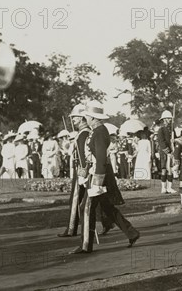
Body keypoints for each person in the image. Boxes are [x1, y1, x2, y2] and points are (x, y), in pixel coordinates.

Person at [71, 100, 140, 254]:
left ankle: (85, 245)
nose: (86, 118)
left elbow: (101, 157)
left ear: (94, 118)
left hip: (98, 176)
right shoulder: (96, 131)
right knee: (108, 208)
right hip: (94, 173)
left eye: (87, 116)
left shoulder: (100, 132)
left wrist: (97, 179)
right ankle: (132, 233)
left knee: (85, 208)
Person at [59, 104, 91, 238]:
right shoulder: (83, 133)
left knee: (75, 199)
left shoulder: (84, 134)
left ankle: (71, 229)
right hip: (82, 170)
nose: (73, 120)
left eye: (75, 118)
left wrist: (83, 170)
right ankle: (107, 222)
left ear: (82, 118)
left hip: (82, 172)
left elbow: (83, 155)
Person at [158, 110, 177, 194]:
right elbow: (161, 142)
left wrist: (175, 140)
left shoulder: (173, 130)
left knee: (170, 170)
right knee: (164, 169)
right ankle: (163, 187)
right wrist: (167, 151)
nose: (169, 120)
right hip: (164, 152)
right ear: (164, 119)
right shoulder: (161, 129)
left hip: (171, 151)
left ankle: (169, 187)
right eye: (168, 119)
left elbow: (175, 139)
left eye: (170, 119)